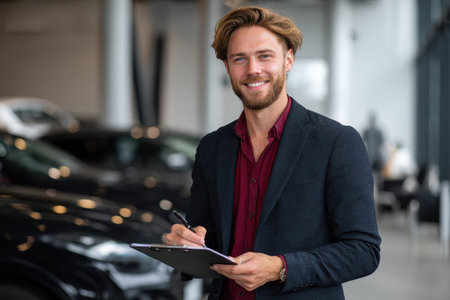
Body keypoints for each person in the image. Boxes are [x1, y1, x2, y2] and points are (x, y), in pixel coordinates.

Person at [165, 6, 381, 300]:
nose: (252, 69)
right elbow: (210, 239)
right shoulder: (212, 148)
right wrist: (187, 245)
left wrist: (281, 267)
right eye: (239, 58)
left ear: (288, 59)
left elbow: (363, 250)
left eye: (264, 56)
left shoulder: (337, 142)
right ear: (228, 67)